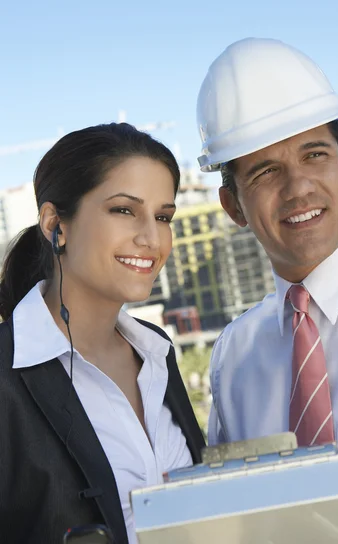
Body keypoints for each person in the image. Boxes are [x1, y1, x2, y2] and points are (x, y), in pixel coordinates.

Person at [196, 37, 338, 544]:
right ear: (233, 206)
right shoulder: (233, 356)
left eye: (314, 155)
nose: (298, 187)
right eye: (266, 171)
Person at [0, 122, 205, 544]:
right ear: (56, 223)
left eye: (163, 216)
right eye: (124, 210)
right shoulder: (6, 375)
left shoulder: (156, 352)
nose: (152, 238)